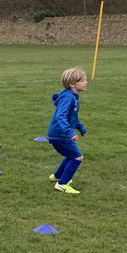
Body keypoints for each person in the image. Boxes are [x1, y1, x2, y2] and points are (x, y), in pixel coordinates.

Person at [47, 67, 89, 195]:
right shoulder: (69, 98)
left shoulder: (72, 96)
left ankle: (57, 176)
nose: (86, 82)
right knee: (77, 157)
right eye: (82, 80)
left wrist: (80, 126)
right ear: (72, 84)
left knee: (71, 155)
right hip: (61, 134)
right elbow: (61, 116)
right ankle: (62, 184)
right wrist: (69, 132)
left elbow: (72, 117)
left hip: (58, 133)